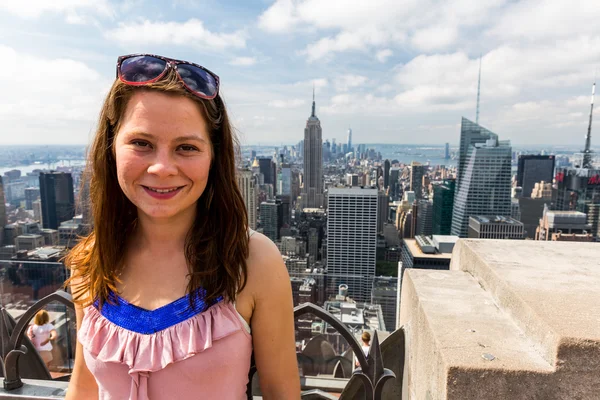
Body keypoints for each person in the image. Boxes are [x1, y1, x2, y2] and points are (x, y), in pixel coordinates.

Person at [64, 54, 300, 399]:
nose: (162, 168)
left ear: (213, 157)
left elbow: (282, 394)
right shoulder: (91, 260)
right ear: (112, 147)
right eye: (142, 143)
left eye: (186, 147)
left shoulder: (252, 261)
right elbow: (84, 387)